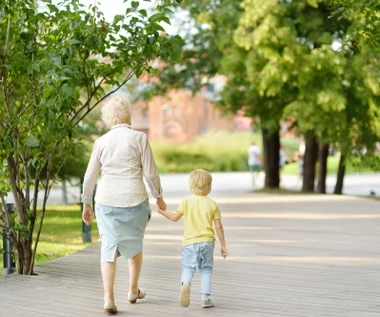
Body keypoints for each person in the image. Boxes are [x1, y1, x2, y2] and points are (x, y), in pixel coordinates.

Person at [81, 96, 166, 315]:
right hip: (135, 199)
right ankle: (132, 290)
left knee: (108, 247)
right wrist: (159, 197)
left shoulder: (101, 142)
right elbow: (150, 172)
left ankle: (108, 299)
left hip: (106, 200)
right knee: (135, 245)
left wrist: (86, 203)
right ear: (128, 115)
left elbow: (90, 176)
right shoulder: (140, 138)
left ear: (109, 119)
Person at [158, 169, 228, 309]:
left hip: (189, 242)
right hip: (207, 242)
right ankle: (205, 299)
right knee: (206, 269)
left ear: (191, 186)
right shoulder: (212, 204)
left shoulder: (186, 201)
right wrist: (223, 245)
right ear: (208, 187)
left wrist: (161, 211)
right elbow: (219, 227)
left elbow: (174, 217)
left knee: (188, 268)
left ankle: (185, 284)